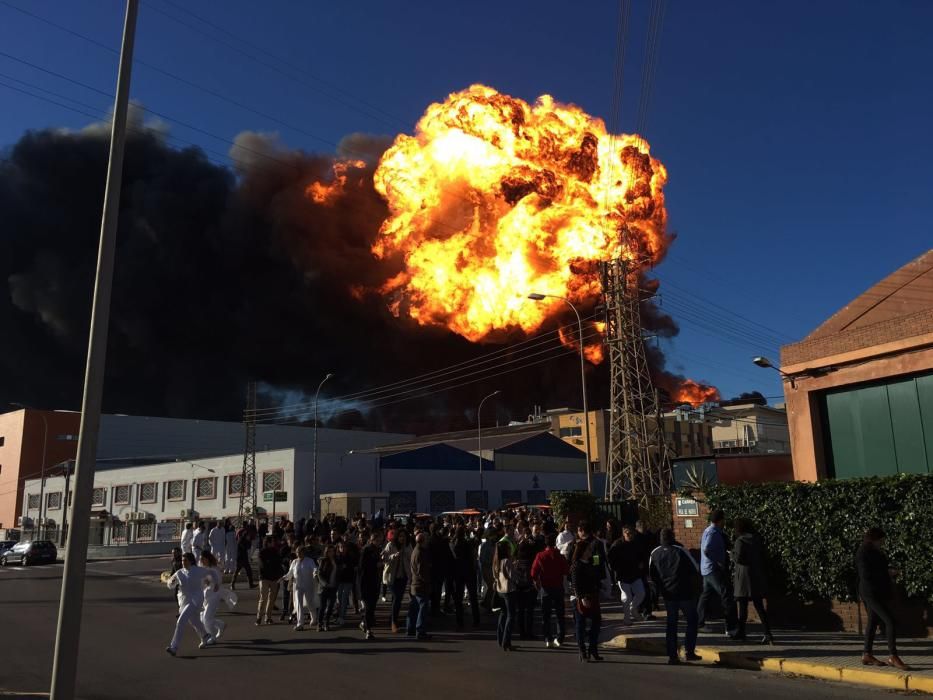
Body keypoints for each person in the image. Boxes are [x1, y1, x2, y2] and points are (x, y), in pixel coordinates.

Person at [857, 527, 909, 670]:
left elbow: (880, 568)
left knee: (873, 622)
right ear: (874, 539)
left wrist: (890, 572)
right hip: (870, 592)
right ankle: (893, 656)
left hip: (878, 591)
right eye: (881, 540)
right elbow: (866, 574)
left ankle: (866, 654)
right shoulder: (863, 552)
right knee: (889, 620)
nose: (883, 542)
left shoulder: (876, 552)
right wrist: (887, 573)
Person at [650, 527, 702, 665]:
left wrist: (662, 588)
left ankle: (672, 655)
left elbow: (652, 574)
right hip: (684, 593)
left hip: (668, 594)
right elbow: (695, 568)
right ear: (672, 536)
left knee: (671, 624)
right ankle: (689, 651)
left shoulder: (655, 553)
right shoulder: (681, 551)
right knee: (692, 620)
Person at [165, 552, 216, 656]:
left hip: (196, 599)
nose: (183, 562)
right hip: (184, 600)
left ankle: (174, 647)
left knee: (181, 621)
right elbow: (170, 585)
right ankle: (205, 636)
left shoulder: (198, 570)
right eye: (182, 560)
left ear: (191, 561)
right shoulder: (179, 573)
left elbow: (211, 574)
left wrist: (213, 583)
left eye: (185, 560)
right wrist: (172, 581)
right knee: (194, 621)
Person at [731, 518, 773, 644]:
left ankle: (741, 632)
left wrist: (731, 554)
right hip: (756, 575)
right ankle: (767, 632)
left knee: (743, 607)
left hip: (743, 577)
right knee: (759, 606)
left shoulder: (740, 541)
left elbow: (738, 558)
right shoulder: (757, 539)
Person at [697, 510, 738, 637]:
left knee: (705, 595)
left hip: (706, 569)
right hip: (712, 569)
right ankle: (731, 628)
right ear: (720, 520)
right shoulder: (713, 533)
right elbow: (707, 549)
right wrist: (718, 562)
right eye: (724, 520)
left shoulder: (707, 530)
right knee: (726, 595)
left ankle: (699, 623)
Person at [570, 529, 603, 662]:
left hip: (593, 595)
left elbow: (598, 568)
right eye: (588, 550)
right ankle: (582, 650)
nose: (590, 551)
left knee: (597, 623)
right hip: (581, 598)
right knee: (581, 625)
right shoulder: (576, 566)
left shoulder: (591, 563)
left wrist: (596, 556)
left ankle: (593, 649)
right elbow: (575, 583)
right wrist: (581, 597)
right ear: (582, 552)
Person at [532, 532, 569, 648]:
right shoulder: (560, 556)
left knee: (546, 615)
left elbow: (533, 573)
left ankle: (548, 638)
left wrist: (536, 582)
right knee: (560, 614)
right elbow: (566, 571)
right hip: (558, 587)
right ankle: (560, 637)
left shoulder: (540, 555)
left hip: (545, 588)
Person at [608, 526, 646, 626]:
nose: (630, 535)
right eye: (628, 533)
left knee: (641, 593)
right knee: (626, 597)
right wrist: (616, 569)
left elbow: (642, 555)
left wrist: (641, 563)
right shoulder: (617, 545)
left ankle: (633, 609)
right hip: (622, 575)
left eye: (632, 533)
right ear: (623, 534)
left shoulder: (636, 543)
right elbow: (611, 559)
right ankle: (627, 618)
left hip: (635, 573)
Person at [382, 529, 412, 633]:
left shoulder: (408, 546)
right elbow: (383, 558)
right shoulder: (390, 545)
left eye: (404, 536)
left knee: (397, 599)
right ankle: (393, 622)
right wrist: (393, 556)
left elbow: (411, 559)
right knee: (397, 597)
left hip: (403, 576)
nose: (402, 538)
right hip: (391, 576)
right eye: (400, 536)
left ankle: (392, 619)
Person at [451, 524, 480, 629]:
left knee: (458, 599)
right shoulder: (468, 543)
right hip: (469, 571)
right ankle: (476, 620)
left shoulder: (453, 544)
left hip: (458, 572)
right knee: (473, 597)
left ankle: (460, 622)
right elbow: (477, 542)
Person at [283, 546, 318, 631]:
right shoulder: (294, 562)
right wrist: (284, 577)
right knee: (298, 604)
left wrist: (315, 573)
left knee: (310, 603)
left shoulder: (309, 561)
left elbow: (314, 568)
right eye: (297, 552)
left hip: (308, 585)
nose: (298, 553)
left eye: (300, 552)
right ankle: (300, 624)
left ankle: (314, 618)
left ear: (304, 552)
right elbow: (290, 573)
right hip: (298, 586)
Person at [359, 529, 385, 639]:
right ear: (372, 540)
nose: (379, 542)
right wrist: (376, 565)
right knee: (369, 607)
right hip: (366, 582)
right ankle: (368, 630)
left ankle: (364, 623)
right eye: (377, 540)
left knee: (372, 607)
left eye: (380, 540)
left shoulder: (377, 550)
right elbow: (362, 566)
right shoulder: (366, 550)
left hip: (375, 582)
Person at [406, 531, 432, 639]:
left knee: (414, 608)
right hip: (420, 584)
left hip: (415, 584)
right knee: (422, 607)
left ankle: (410, 628)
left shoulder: (415, 550)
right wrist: (428, 581)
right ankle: (420, 630)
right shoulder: (420, 552)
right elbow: (422, 571)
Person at [493, 541, 517, 651]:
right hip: (509, 590)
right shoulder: (507, 561)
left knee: (503, 614)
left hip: (499, 589)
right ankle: (506, 641)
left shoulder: (496, 561)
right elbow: (512, 576)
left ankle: (500, 638)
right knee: (511, 616)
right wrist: (515, 566)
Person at [199, 551, 227, 641]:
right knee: (203, 617)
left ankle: (211, 637)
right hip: (205, 596)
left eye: (203, 558)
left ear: (207, 559)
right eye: (200, 559)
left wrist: (211, 583)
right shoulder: (202, 569)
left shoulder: (214, 569)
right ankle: (220, 625)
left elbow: (218, 581)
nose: (201, 560)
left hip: (214, 595)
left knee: (207, 617)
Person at [514, 539, 537, 639]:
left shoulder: (516, 563)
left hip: (519, 589)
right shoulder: (531, 562)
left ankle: (522, 632)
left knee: (521, 611)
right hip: (529, 588)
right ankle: (529, 632)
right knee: (530, 612)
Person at [256, 536, 282, 626]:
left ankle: (268, 617)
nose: (273, 543)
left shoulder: (275, 552)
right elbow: (262, 565)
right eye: (272, 542)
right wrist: (273, 567)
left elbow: (279, 563)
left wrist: (278, 575)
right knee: (263, 598)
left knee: (271, 599)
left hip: (274, 578)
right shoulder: (262, 552)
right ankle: (259, 617)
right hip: (264, 578)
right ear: (268, 542)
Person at [316, 545, 338, 631]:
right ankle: (319, 623)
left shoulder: (336, 560)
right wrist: (325, 583)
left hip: (333, 587)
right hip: (324, 587)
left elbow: (338, 573)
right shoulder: (323, 561)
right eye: (329, 551)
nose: (331, 553)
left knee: (330, 606)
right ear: (326, 552)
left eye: (332, 551)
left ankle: (327, 623)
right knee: (322, 606)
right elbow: (319, 574)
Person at [335, 540, 357, 627]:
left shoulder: (351, 557)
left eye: (344, 547)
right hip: (339, 581)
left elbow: (354, 568)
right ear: (339, 548)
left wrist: (347, 567)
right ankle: (339, 616)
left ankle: (342, 617)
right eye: (341, 547)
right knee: (339, 599)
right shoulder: (337, 558)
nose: (342, 549)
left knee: (344, 598)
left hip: (348, 581)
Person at [478, 528, 498, 612]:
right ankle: (487, 605)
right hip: (486, 568)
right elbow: (482, 559)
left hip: (491, 568)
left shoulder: (494, 544)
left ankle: (486, 603)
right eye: (494, 535)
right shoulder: (485, 545)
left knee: (492, 587)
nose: (496, 536)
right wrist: (490, 562)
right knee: (491, 587)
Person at [232, 526, 255, 590]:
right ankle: (232, 584)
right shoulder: (241, 540)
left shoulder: (245, 540)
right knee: (237, 571)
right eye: (248, 535)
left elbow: (248, 547)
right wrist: (248, 541)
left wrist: (249, 541)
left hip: (244, 558)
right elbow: (245, 547)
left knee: (249, 571)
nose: (249, 537)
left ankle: (251, 584)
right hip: (240, 558)